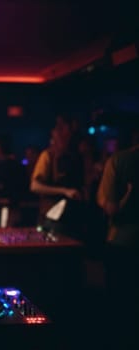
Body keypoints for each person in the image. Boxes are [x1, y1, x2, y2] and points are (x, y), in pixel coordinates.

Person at [97, 127, 139, 350]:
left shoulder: (120, 161)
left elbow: (110, 208)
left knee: (120, 307)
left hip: (123, 242)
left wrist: (126, 197)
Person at [30, 116, 85, 236]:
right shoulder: (48, 155)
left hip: (74, 218)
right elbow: (35, 186)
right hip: (53, 218)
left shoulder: (76, 156)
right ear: (56, 133)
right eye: (66, 129)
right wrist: (64, 191)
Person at [0, 135, 26, 227]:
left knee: (6, 236)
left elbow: (20, 189)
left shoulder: (13, 166)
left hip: (9, 209)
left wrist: (1, 199)